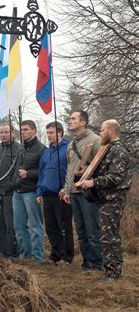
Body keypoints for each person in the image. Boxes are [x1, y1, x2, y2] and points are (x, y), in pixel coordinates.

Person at [76, 120, 131, 281]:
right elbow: (102, 171)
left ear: (112, 131)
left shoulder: (119, 150)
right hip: (104, 199)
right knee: (107, 236)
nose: (100, 133)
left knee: (109, 236)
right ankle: (112, 271)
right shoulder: (107, 149)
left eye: (102, 130)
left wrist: (92, 182)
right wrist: (86, 173)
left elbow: (116, 177)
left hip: (113, 199)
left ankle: (113, 273)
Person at [59, 111, 102, 271]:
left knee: (92, 230)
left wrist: (88, 173)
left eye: (73, 119)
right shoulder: (70, 144)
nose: (69, 121)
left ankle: (97, 265)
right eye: (69, 118)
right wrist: (67, 189)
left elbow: (103, 166)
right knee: (81, 231)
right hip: (74, 193)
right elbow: (69, 170)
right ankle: (86, 263)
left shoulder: (96, 140)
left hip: (88, 193)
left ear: (83, 122)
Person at [36, 122, 74, 264]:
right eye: (47, 133)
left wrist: (67, 189)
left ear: (59, 133)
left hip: (62, 193)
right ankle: (55, 254)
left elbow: (71, 170)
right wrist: (39, 191)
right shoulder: (46, 152)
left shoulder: (68, 148)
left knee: (63, 226)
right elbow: (41, 173)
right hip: (47, 194)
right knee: (51, 226)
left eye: (51, 132)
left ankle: (67, 256)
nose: (48, 135)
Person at [12, 120, 46, 262]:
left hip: (31, 191)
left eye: (26, 129)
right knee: (19, 227)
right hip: (17, 192)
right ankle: (25, 256)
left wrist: (29, 174)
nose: (23, 132)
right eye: (21, 130)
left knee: (34, 226)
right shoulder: (21, 149)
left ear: (34, 131)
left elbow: (44, 172)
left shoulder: (41, 149)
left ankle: (37, 257)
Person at [0, 123, 21, 258]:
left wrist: (9, 186)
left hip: (10, 193)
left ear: (12, 132)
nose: (4, 135)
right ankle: (2, 252)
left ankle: (12, 253)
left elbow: (17, 172)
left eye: (6, 132)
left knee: (10, 225)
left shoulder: (19, 149)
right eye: (1, 132)